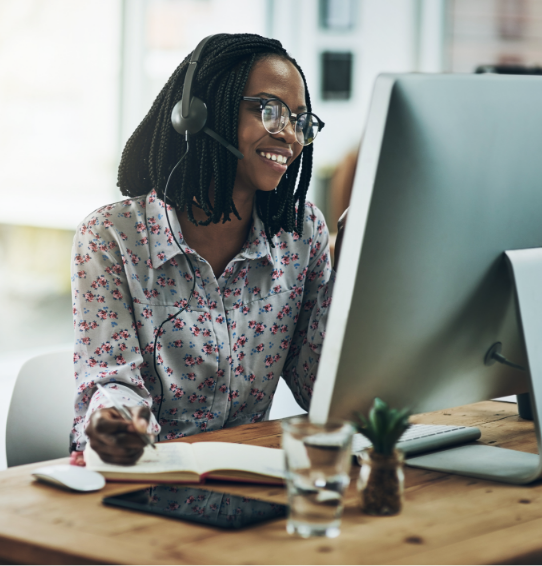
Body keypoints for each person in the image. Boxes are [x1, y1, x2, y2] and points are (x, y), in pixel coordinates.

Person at [70, 33, 343, 466]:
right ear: (198, 113)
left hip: (252, 487)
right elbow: (111, 380)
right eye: (270, 111)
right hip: (145, 489)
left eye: (300, 121)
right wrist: (118, 421)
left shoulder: (300, 232)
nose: (290, 136)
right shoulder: (111, 237)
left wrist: (350, 286)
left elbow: (318, 390)